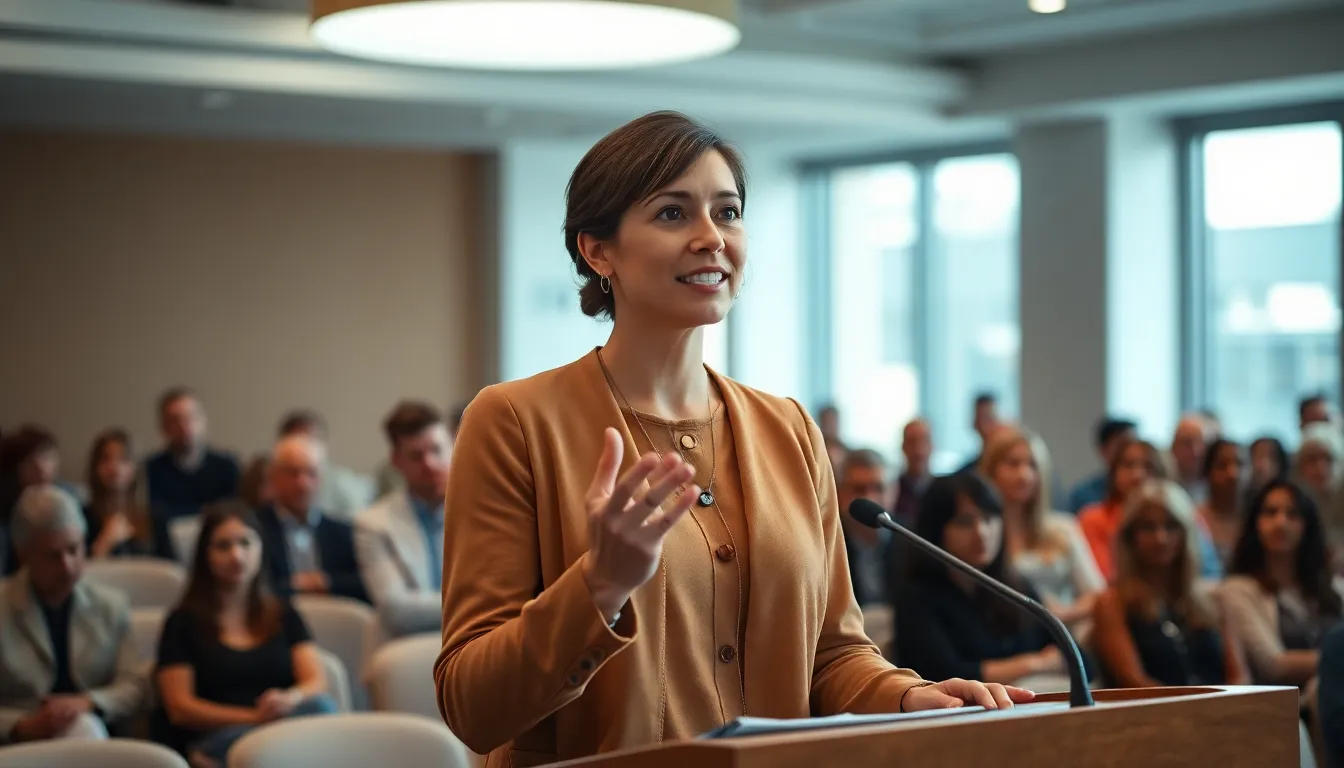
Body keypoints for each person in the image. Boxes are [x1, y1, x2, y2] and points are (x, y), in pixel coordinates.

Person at [434, 111, 1032, 765]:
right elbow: (472, 707)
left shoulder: (789, 430)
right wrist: (599, 585)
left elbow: (833, 655)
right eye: (672, 214)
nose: (710, 237)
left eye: (728, 211)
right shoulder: (515, 421)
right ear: (597, 250)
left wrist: (907, 698)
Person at [154, 500, 338, 766]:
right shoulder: (182, 622)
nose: (237, 556)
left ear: (261, 548)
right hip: (219, 737)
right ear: (205, 555)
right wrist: (254, 718)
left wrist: (290, 698)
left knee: (321, 708)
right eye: (223, 546)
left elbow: (315, 679)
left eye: (246, 543)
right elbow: (180, 708)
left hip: (279, 729)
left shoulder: (283, 612)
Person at [0, 485, 147, 744]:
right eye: (53, 556)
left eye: (74, 549)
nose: (67, 566)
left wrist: (88, 702)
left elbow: (134, 684)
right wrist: (22, 725)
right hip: (18, 747)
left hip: (95, 735)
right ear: (23, 555)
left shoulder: (111, 606)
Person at [894, 473, 1069, 689]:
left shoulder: (1015, 585)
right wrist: (1034, 664)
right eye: (965, 522)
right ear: (936, 529)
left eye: (989, 519)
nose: (982, 532)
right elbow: (947, 675)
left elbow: (1080, 660)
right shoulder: (915, 597)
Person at [1091, 480, 1249, 687]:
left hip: (1224, 714)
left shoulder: (1215, 600)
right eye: (1148, 527)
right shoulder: (1112, 604)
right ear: (1130, 537)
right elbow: (1134, 683)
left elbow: (1239, 677)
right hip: (1154, 715)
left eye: (1171, 526)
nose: (1161, 538)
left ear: (1187, 534)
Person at [979, 427, 1104, 641]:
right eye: (1013, 463)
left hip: (1065, 636)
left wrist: (1060, 615)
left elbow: (1098, 596)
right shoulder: (981, 533)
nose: (1024, 475)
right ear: (991, 470)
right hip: (1007, 639)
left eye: (1032, 465)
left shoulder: (1063, 527)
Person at [1218, 480, 1343, 687]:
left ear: (1307, 525)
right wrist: (1336, 659)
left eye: (1292, 514)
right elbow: (1274, 665)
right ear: (1255, 523)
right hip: (1293, 708)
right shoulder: (1238, 589)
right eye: (1270, 512)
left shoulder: (1333, 587)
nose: (1280, 523)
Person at [356, 401, 453, 637]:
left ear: (453, 447)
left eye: (437, 450)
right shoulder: (372, 523)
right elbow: (396, 610)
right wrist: (474, 605)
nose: (429, 463)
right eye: (416, 456)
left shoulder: (482, 511)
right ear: (396, 461)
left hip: (473, 644)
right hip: (406, 648)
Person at [253, 435, 366, 602]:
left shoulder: (343, 532)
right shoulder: (254, 529)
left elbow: (365, 583)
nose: (303, 483)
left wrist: (326, 582)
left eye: (311, 473)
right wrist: (293, 585)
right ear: (274, 477)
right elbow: (254, 587)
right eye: (293, 473)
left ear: (321, 479)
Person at [143, 387, 241, 558]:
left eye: (191, 417)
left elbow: (233, 512)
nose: (184, 425)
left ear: (203, 420)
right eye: (176, 420)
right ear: (164, 427)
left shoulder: (227, 465)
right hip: (170, 558)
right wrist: (206, 511)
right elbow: (158, 515)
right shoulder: (152, 469)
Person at [1077, 436, 1165, 581]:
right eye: (1129, 465)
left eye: (1148, 466)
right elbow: (1102, 579)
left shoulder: (1181, 518)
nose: (1138, 475)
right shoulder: (1092, 519)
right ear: (1114, 472)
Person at [277, 410, 372, 524]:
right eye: (296, 441)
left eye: (309, 441)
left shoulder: (344, 486)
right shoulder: (268, 487)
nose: (302, 483)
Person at [83, 429, 154, 559]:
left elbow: (174, 571)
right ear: (95, 467)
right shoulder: (83, 516)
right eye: (106, 459)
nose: (114, 467)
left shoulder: (155, 515)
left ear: (135, 466)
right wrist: (106, 541)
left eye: (123, 459)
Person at [835, 449, 893, 607]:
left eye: (879, 488)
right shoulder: (827, 546)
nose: (870, 498)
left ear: (894, 491)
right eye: (859, 490)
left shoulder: (911, 540)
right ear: (839, 494)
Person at [1065, 417, 1137, 515]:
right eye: (1122, 446)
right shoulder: (1084, 496)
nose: (1130, 452)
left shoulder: (1151, 492)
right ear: (1103, 450)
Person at [1198, 438, 1246, 570]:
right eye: (1222, 466)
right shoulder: (1194, 520)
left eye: (1240, 464)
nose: (1233, 474)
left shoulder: (1260, 519)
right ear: (1207, 472)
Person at [892, 418, 933, 527]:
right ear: (903, 447)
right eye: (912, 442)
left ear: (932, 445)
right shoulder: (892, 492)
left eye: (924, 441)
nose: (918, 450)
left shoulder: (945, 491)